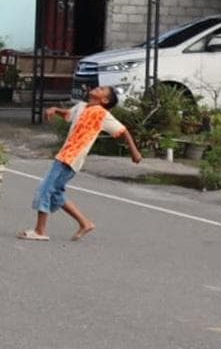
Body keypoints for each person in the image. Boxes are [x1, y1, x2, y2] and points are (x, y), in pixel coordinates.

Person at [17, 85, 142, 243]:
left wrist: (134, 152)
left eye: (102, 89)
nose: (97, 88)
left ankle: (40, 231)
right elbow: (69, 115)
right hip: (64, 155)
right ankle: (85, 223)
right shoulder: (81, 106)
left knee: (46, 189)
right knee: (55, 192)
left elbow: (123, 131)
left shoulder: (102, 114)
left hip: (72, 158)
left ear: (104, 100)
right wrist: (55, 110)